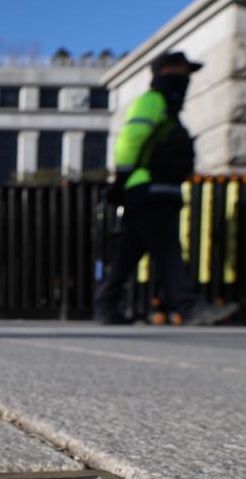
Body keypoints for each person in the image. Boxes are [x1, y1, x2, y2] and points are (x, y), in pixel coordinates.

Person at [94, 51, 237, 326]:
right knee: (168, 250)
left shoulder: (169, 111)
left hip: (159, 188)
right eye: (180, 73)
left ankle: (105, 306)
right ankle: (190, 307)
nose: (185, 80)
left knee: (128, 253)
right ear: (166, 73)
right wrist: (122, 180)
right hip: (149, 188)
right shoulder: (153, 102)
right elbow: (130, 139)